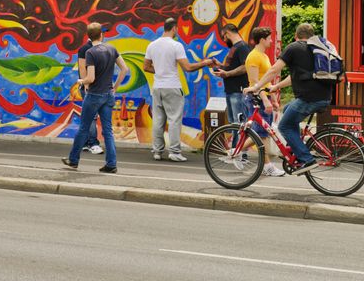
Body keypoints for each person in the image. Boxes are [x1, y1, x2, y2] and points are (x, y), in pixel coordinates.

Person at [247, 22, 336, 173]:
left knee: (284, 126)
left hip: (309, 98)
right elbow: (293, 77)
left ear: (296, 36)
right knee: (288, 109)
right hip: (325, 96)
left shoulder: (294, 48)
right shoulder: (316, 49)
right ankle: (296, 148)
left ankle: (306, 160)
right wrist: (275, 87)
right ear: (311, 36)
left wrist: (257, 87)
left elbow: (275, 69)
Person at [143, 17, 217, 162]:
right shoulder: (176, 45)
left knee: (158, 120)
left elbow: (146, 67)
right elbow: (188, 67)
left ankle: (157, 151)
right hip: (172, 87)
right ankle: (175, 152)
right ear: (174, 28)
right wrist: (205, 62)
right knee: (174, 120)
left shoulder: (152, 45)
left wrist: (160, 71)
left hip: (157, 87)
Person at [62, 22, 129, 171]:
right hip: (108, 94)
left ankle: (73, 160)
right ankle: (111, 164)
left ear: (89, 36)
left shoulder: (90, 53)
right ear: (101, 34)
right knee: (108, 131)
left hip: (94, 95)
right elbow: (125, 69)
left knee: (83, 128)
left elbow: (90, 78)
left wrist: (81, 80)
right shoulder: (112, 49)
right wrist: (115, 88)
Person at [245, 26, 288, 175]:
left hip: (266, 97)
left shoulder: (264, 56)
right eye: (269, 38)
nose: (271, 41)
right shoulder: (253, 56)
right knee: (262, 135)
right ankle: (268, 166)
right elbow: (254, 83)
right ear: (262, 39)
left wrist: (274, 99)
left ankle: (235, 150)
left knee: (262, 133)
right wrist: (265, 100)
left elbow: (268, 81)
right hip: (257, 98)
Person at [212, 23, 252, 126]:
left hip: (238, 92)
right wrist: (220, 66)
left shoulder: (242, 47)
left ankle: (239, 143)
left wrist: (227, 74)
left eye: (223, 37)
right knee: (234, 124)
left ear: (227, 33)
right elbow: (234, 66)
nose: (224, 40)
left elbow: (245, 67)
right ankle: (236, 143)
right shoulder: (236, 47)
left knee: (239, 125)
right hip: (231, 91)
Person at [76, 30, 104, 155]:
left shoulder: (98, 49)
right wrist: (86, 84)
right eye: (102, 33)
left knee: (89, 115)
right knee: (92, 116)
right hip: (89, 87)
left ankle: (86, 142)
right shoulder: (85, 49)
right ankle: (93, 143)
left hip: (96, 86)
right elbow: (82, 67)